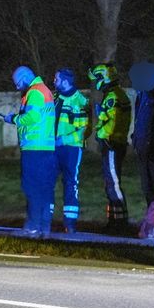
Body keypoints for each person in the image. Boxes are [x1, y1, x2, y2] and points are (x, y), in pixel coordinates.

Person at [3, 66, 57, 236]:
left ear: (26, 77)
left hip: (34, 148)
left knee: (32, 187)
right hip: (47, 147)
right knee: (44, 188)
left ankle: (32, 227)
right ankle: (44, 227)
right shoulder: (45, 91)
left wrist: (13, 119)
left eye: (18, 83)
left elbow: (32, 117)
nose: (17, 87)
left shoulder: (34, 92)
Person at [88, 62, 132, 235]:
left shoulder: (114, 96)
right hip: (112, 144)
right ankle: (114, 221)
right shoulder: (115, 94)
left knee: (113, 184)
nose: (97, 82)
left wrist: (105, 138)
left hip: (112, 144)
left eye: (98, 78)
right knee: (110, 184)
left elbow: (111, 122)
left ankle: (121, 223)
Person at [52, 67, 89, 234]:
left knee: (70, 183)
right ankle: (46, 219)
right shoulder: (54, 98)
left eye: (56, 79)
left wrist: (63, 139)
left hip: (71, 149)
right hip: (53, 147)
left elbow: (83, 130)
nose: (54, 81)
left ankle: (70, 223)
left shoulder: (79, 101)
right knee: (48, 182)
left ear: (65, 81)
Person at [130, 61, 154, 207]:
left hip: (153, 148)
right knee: (147, 186)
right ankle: (151, 217)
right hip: (142, 146)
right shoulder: (142, 95)